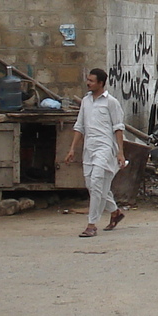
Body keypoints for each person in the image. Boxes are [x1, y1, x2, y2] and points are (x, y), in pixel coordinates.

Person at [60, 68, 126, 238]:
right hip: (89, 149)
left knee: (97, 182)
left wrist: (120, 152)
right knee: (93, 186)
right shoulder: (86, 101)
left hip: (105, 149)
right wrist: (72, 149)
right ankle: (115, 212)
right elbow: (79, 126)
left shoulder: (111, 102)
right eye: (88, 80)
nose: (88, 83)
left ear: (101, 83)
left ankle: (91, 224)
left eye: (91, 81)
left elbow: (118, 128)